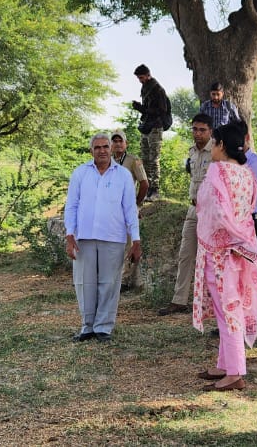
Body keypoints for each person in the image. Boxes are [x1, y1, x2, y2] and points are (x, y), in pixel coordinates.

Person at [191, 121, 257, 391]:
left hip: (220, 251)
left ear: (221, 145)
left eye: (214, 142)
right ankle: (225, 364)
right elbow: (247, 210)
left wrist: (223, 235)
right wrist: (240, 239)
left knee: (228, 310)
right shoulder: (245, 173)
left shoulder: (216, 171)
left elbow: (213, 209)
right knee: (230, 308)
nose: (211, 147)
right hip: (241, 249)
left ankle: (234, 372)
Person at [64, 133, 142, 343]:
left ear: (111, 149)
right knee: (84, 282)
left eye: (105, 146)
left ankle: (104, 327)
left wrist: (136, 240)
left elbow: (130, 209)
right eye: (97, 147)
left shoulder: (123, 175)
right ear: (91, 151)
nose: (102, 151)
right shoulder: (80, 173)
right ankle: (87, 326)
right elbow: (71, 206)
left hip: (113, 237)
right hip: (84, 237)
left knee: (109, 283)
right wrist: (70, 234)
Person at [157, 114, 215, 316]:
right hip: (193, 208)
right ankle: (179, 300)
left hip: (211, 211)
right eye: (195, 129)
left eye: (202, 130)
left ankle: (211, 303)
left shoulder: (217, 151)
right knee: (185, 254)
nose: (197, 133)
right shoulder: (191, 151)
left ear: (210, 131)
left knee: (210, 258)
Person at [112, 130, 149, 291]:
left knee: (129, 243)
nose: (118, 144)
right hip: (111, 209)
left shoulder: (133, 161)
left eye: (121, 141)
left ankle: (125, 281)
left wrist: (136, 204)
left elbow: (144, 183)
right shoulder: (108, 161)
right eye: (115, 141)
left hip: (127, 207)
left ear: (126, 143)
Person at [132, 64, 171, 202]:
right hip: (147, 126)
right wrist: (141, 108)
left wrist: (143, 108)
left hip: (156, 127)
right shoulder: (145, 87)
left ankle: (155, 189)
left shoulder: (157, 89)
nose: (140, 80)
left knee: (154, 158)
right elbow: (149, 109)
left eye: (141, 77)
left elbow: (162, 110)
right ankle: (147, 187)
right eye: (138, 78)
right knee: (145, 159)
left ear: (148, 75)